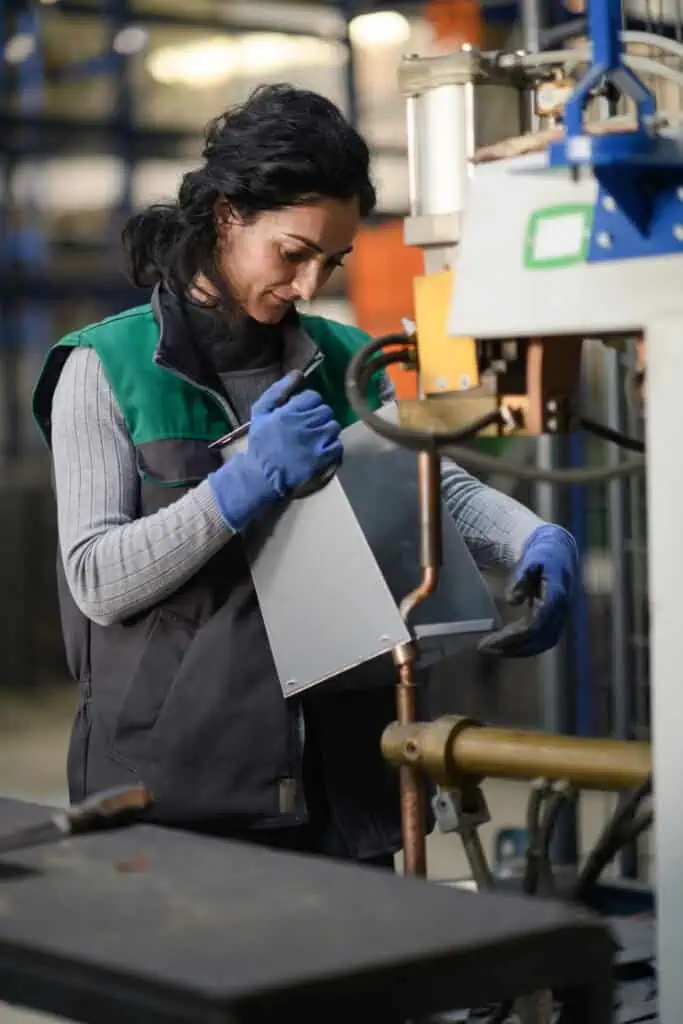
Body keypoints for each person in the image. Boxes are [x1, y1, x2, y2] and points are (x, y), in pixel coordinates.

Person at [33, 84, 577, 869]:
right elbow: (97, 580)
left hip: (343, 773)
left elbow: (431, 483)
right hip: (177, 786)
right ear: (227, 216)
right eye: (293, 253)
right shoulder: (104, 367)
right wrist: (236, 487)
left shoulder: (344, 358)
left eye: (332, 260)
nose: (308, 284)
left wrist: (528, 535)